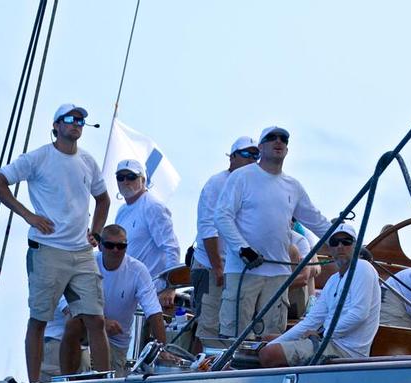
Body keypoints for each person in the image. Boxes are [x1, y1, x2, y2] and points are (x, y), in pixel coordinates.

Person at [0, 102, 111, 382]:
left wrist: (97, 231)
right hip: (47, 251)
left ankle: (105, 381)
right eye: (69, 119)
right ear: (56, 126)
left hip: (81, 252)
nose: (76, 123)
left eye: (80, 120)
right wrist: (29, 216)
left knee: (96, 319)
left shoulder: (88, 161)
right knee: (40, 320)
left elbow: (102, 199)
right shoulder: (38, 158)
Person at [216, 125, 334, 339]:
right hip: (243, 271)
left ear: (287, 150)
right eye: (272, 138)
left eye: (284, 139)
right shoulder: (242, 177)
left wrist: (347, 239)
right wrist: (242, 248)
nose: (278, 141)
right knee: (234, 336)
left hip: (278, 274)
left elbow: (315, 220)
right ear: (261, 147)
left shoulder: (293, 186)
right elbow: (222, 216)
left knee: (272, 337)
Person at [259, 224, 380, 367]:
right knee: (265, 342)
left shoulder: (363, 267)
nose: (340, 246)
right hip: (328, 341)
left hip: (346, 350)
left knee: (269, 354)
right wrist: (272, 343)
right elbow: (312, 321)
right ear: (330, 248)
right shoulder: (333, 280)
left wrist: (323, 334)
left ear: (356, 246)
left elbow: (359, 314)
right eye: (335, 243)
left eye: (346, 242)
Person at [62, 224, 166, 377]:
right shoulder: (86, 264)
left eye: (121, 246)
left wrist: (162, 349)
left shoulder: (138, 270)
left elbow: (154, 312)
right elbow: (65, 301)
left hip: (116, 343)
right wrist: (102, 322)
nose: (115, 250)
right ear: (100, 246)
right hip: (84, 336)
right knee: (73, 323)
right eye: (110, 245)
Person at [191, 136, 260, 344]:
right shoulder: (216, 184)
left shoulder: (253, 186)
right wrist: (218, 267)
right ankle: (202, 373)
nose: (252, 160)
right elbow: (208, 229)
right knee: (208, 325)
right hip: (211, 266)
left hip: (235, 268)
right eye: (246, 154)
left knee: (234, 325)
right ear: (232, 158)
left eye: (255, 155)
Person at [114, 159, 180, 307]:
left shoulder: (152, 206)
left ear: (143, 180)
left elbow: (171, 247)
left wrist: (170, 287)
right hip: (128, 293)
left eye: (131, 177)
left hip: (152, 293)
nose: (125, 181)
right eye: (121, 177)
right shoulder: (122, 211)